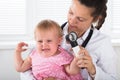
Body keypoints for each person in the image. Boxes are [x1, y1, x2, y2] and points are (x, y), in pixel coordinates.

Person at [20, 0, 118, 80]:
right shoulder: (52, 31)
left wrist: (93, 70)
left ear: (95, 19)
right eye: (71, 12)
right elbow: (26, 68)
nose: (72, 20)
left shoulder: (102, 43)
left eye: (80, 19)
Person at [14, 19, 83, 80]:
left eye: (49, 41)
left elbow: (73, 71)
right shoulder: (34, 54)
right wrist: (17, 52)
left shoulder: (62, 56)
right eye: (40, 41)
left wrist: (76, 58)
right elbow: (20, 68)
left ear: (59, 41)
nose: (44, 45)